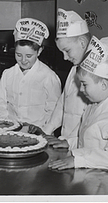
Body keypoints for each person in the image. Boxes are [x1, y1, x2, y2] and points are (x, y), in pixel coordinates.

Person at [48, 35, 108, 170]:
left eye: (84, 84)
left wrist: (78, 160)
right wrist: (69, 143)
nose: (80, 89)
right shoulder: (93, 106)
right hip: (93, 176)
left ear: (103, 85)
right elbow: (91, 143)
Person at [29, 9, 92, 149]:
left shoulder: (98, 74)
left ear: (82, 42)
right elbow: (62, 105)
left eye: (67, 50)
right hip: (67, 144)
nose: (64, 57)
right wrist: (46, 130)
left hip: (84, 148)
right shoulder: (74, 68)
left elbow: (96, 125)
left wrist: (70, 143)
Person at [0, 18, 61, 128]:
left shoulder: (49, 77)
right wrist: (5, 121)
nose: (23, 60)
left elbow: (54, 109)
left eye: (29, 56)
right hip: (10, 130)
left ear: (39, 51)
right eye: (19, 55)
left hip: (39, 132)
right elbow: (0, 102)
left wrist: (42, 129)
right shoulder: (8, 74)